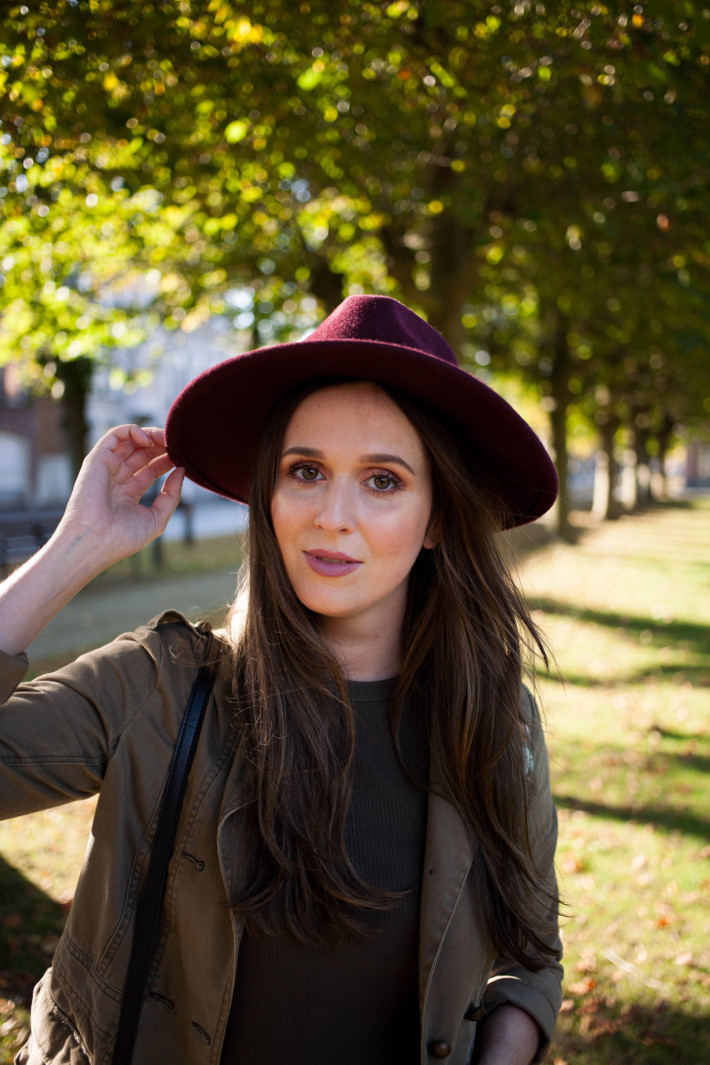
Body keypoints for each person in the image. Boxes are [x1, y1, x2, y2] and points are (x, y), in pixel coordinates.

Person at [0, 295, 563, 1065]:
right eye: (306, 471)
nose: (332, 515)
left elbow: (529, 957)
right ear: (270, 494)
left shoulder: (495, 721)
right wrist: (76, 549)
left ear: (436, 518)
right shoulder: (159, 688)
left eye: (383, 480)